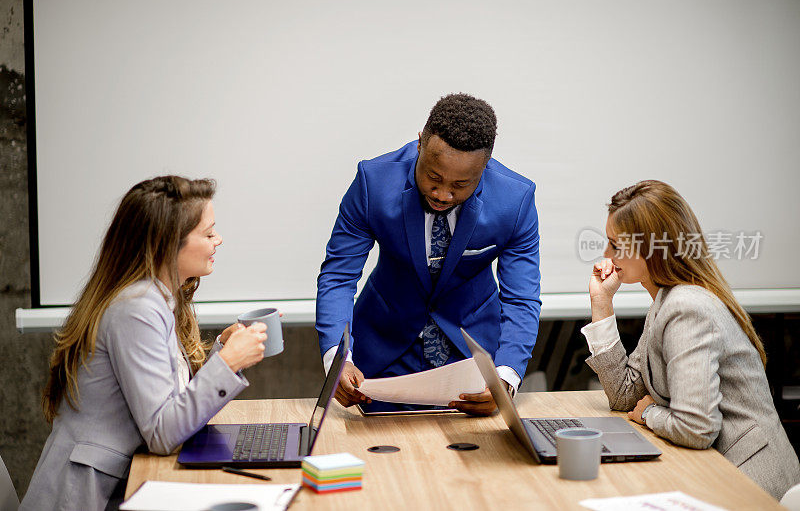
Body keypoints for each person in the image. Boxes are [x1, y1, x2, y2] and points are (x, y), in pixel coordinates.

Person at [21, 176, 268, 511]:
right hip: (89, 497)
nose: (219, 239)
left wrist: (223, 353)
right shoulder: (136, 308)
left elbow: (170, 406)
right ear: (168, 243)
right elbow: (163, 433)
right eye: (209, 233)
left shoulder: (154, 298)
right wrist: (229, 364)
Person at [316, 93, 541, 415]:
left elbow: (521, 298)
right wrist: (338, 358)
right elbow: (339, 276)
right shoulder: (373, 183)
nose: (443, 194)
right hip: (382, 353)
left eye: (461, 184)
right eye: (433, 177)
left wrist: (505, 377)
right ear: (420, 143)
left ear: (486, 165)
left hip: (472, 358)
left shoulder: (515, 200)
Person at [582, 179, 800, 500]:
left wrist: (648, 414)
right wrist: (602, 303)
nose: (606, 255)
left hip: (752, 480)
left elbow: (697, 427)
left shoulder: (687, 307)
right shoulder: (665, 302)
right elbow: (625, 396)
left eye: (617, 245)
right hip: (714, 467)